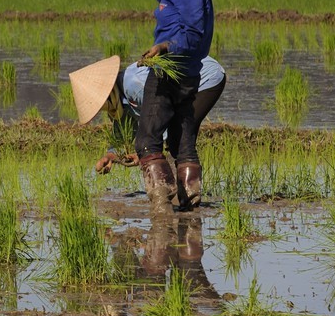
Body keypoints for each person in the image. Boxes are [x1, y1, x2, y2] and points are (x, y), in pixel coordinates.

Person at [127, 0, 216, 211]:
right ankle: (189, 201)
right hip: (188, 71)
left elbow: (192, 33)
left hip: (171, 70)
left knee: (147, 140)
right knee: (180, 138)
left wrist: (163, 48)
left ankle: (161, 205)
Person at [70, 51, 227, 210]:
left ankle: (185, 202)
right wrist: (112, 155)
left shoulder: (135, 85)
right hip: (188, 83)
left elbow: (159, 123)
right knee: (174, 139)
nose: (102, 109)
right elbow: (123, 127)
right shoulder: (120, 97)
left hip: (206, 78)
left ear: (106, 93)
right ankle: (179, 201)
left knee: (178, 137)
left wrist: (143, 152)